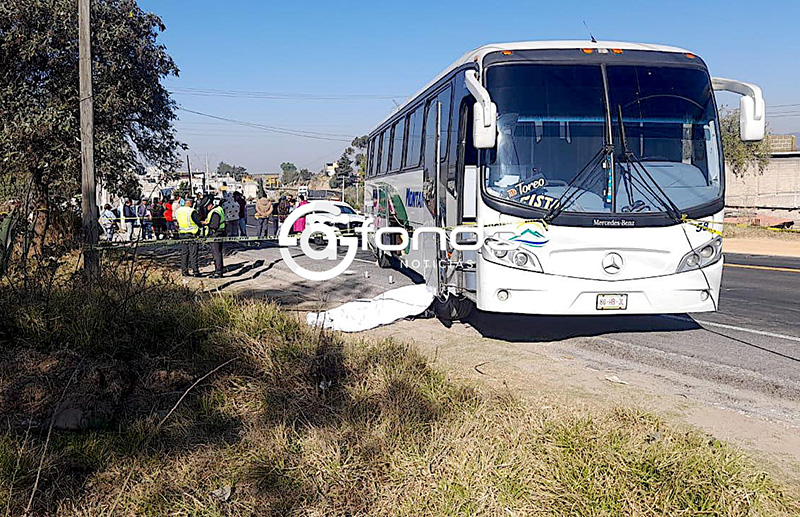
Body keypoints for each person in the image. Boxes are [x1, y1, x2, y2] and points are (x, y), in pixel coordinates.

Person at [175, 199, 201, 277]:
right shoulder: (192, 211)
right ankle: (195, 271)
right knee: (193, 254)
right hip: (192, 234)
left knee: (184, 253)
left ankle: (184, 271)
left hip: (182, 234)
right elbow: (198, 222)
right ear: (190, 203)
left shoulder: (178, 211)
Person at [204, 198, 226, 278]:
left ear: (210, 205)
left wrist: (206, 224)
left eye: (207, 206)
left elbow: (214, 225)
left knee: (216, 254)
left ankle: (218, 272)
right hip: (220, 233)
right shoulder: (219, 209)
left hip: (215, 234)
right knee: (218, 253)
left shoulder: (215, 212)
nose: (206, 208)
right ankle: (220, 270)